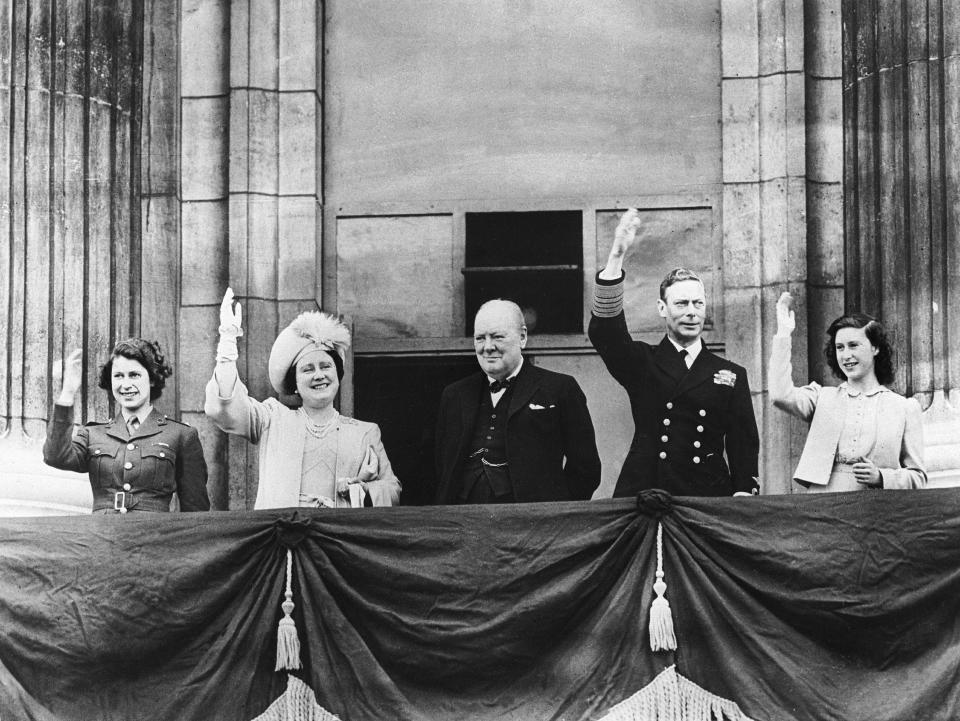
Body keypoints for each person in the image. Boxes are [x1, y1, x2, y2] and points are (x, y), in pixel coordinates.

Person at [588, 208, 760, 497]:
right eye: (681, 304)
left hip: (707, 495)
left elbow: (743, 443)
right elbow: (605, 333)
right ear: (662, 309)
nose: (692, 312)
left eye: (698, 303)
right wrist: (616, 256)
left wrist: (743, 492)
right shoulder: (643, 362)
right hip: (647, 491)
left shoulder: (730, 374)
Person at [204, 288, 401, 509]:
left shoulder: (364, 433)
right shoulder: (272, 419)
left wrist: (361, 490)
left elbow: (392, 491)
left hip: (338, 540)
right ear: (295, 384)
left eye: (326, 366)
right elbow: (226, 407)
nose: (319, 375)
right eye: (308, 369)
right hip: (282, 539)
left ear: (338, 375)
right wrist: (227, 347)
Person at [434, 299, 601, 504]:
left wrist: (555, 515)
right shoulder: (454, 395)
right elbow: (442, 465)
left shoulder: (560, 388)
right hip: (464, 520)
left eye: (497, 337)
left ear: (522, 337)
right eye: (480, 338)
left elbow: (586, 469)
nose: (487, 347)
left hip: (530, 524)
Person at [769, 292, 926, 491]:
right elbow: (779, 395)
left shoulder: (903, 407)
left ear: (875, 348)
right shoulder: (821, 397)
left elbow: (918, 477)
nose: (846, 355)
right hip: (823, 503)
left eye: (853, 345)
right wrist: (783, 333)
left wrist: (881, 477)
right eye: (839, 347)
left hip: (874, 509)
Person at [43, 339, 210, 513]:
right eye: (118, 376)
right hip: (102, 537)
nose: (126, 385)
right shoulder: (93, 433)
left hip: (153, 538)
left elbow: (196, 513)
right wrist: (68, 392)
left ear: (152, 379)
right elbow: (55, 456)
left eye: (134, 375)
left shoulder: (181, 435)